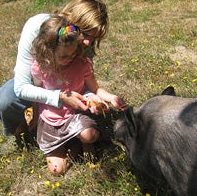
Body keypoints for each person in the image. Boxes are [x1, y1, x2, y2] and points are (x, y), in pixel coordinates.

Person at [0, 0, 109, 137]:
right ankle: (16, 132)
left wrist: (93, 98)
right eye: (85, 33)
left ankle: (70, 130)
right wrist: (58, 97)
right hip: (35, 80)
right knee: (5, 101)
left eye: (93, 38)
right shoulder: (36, 26)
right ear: (70, 19)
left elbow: (83, 81)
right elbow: (21, 86)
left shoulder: (84, 43)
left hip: (66, 84)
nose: (87, 42)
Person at [31, 15, 126, 175]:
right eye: (63, 56)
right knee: (56, 170)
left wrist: (110, 98)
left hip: (76, 116)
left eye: (73, 53)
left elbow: (95, 89)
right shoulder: (40, 68)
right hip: (51, 120)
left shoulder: (81, 64)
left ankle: (85, 142)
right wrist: (34, 118)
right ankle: (75, 145)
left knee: (89, 135)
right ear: (48, 51)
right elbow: (37, 94)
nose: (69, 59)